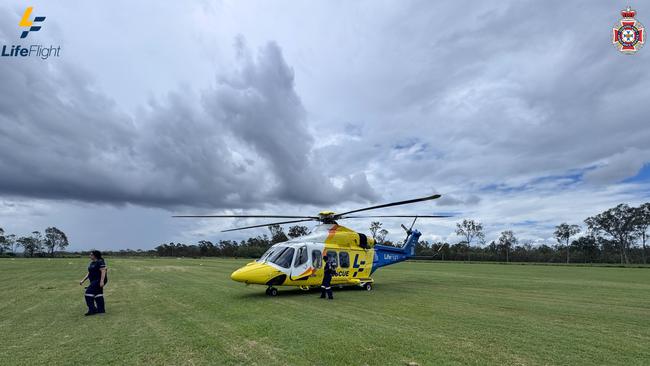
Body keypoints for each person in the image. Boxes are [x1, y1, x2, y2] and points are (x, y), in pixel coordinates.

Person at [79, 250, 108, 315]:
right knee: (98, 294)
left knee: (88, 293)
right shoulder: (92, 263)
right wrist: (83, 280)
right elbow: (89, 273)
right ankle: (101, 310)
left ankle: (92, 310)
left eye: (91, 255)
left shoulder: (100, 262)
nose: (90, 256)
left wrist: (102, 281)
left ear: (95, 255)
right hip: (94, 281)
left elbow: (103, 272)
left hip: (99, 280)